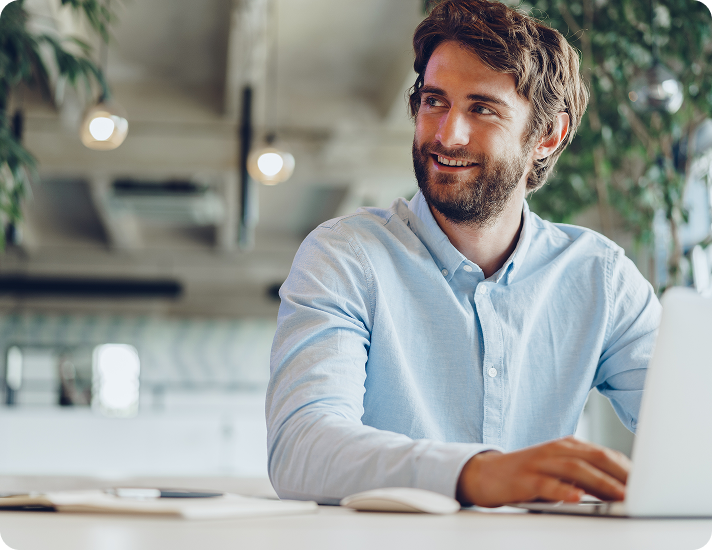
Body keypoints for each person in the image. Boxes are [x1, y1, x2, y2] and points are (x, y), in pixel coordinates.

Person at [266, 0, 661, 507]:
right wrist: (476, 474)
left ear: (547, 135)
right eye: (435, 101)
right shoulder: (345, 256)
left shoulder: (601, 278)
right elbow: (302, 446)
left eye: (482, 108)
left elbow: (691, 426)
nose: (447, 135)